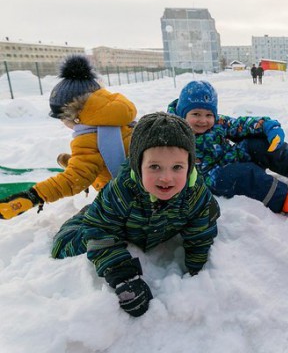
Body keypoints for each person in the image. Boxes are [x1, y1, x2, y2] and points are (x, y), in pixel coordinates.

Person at [51, 112, 220, 317]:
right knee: (64, 246)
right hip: (112, 222)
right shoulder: (122, 190)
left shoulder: (196, 194)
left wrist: (196, 271)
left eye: (177, 167)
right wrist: (123, 275)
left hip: (149, 225)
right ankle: (89, 212)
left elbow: (201, 232)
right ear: (138, 165)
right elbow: (100, 231)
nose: (166, 177)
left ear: (190, 166)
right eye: (154, 166)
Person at [0, 55, 136, 220]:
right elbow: (104, 158)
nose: (64, 123)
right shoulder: (119, 122)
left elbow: (75, 180)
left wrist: (33, 196)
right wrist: (74, 161)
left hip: (131, 203)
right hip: (146, 187)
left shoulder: (91, 136)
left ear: (75, 115)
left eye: (63, 118)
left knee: (81, 224)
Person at [168, 80, 288, 215]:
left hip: (231, 157)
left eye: (209, 115)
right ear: (183, 114)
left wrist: (268, 126)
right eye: (196, 114)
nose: (203, 120)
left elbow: (239, 125)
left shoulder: (217, 123)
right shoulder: (175, 135)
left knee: (259, 144)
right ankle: (283, 200)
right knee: (247, 175)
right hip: (211, 176)